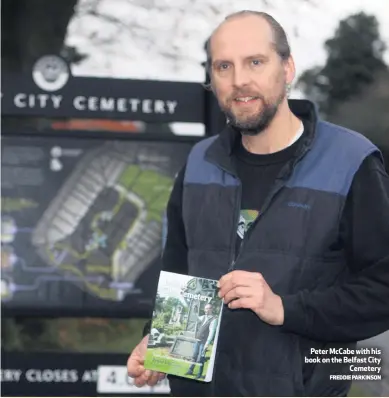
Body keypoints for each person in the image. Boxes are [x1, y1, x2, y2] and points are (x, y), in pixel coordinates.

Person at [127, 10, 389, 397]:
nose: (239, 81)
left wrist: (286, 309)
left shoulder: (351, 162)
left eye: (255, 62)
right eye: (223, 66)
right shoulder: (199, 163)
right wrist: (158, 342)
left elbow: (382, 289)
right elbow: (179, 272)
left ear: (287, 68)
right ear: (211, 78)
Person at [185, 303, 218, 379]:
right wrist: (195, 310)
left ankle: (199, 374)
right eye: (205, 308)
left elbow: (211, 332)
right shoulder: (203, 317)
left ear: (211, 309)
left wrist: (207, 344)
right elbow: (197, 318)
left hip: (204, 342)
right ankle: (190, 370)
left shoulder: (214, 319)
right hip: (197, 340)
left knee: (201, 358)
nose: (206, 310)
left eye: (208, 308)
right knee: (194, 356)